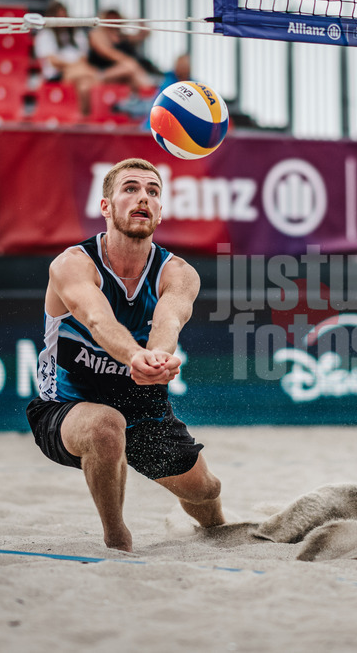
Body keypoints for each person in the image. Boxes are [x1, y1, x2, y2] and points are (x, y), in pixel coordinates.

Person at [26, 157, 225, 552]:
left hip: (143, 407)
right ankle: (117, 537)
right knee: (105, 426)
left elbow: (168, 322)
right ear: (106, 206)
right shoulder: (72, 265)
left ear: (161, 211)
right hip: (66, 407)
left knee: (205, 490)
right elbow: (98, 321)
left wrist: (158, 358)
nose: (143, 198)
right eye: (130, 188)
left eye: (153, 191)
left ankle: (222, 531)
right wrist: (135, 356)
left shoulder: (179, 272)